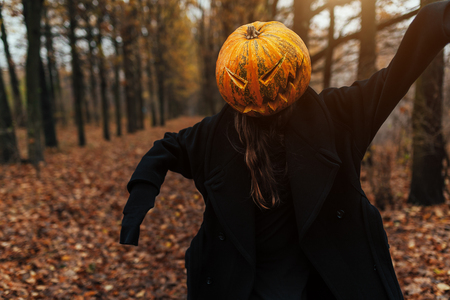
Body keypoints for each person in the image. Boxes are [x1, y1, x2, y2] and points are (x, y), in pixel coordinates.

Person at [120, 2, 450, 299]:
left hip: (327, 281)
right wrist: (139, 201)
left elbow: (395, 76)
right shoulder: (214, 136)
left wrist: (440, 19)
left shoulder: (336, 118)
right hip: (241, 284)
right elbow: (165, 149)